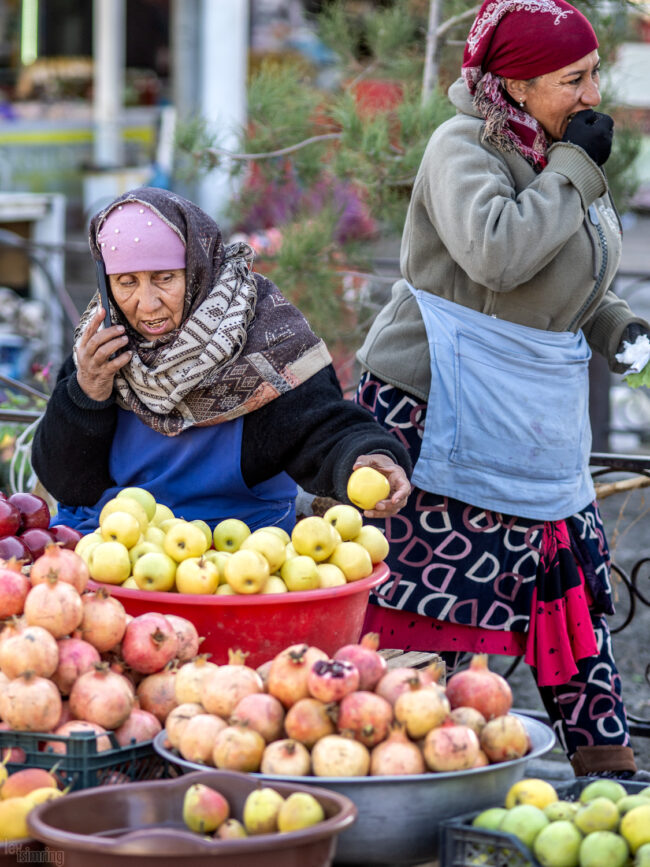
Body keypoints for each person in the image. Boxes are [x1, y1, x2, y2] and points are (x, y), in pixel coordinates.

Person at [354, 0, 649, 777]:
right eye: (572, 79)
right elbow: (497, 253)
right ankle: (417, 764)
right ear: (514, 86)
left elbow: (567, 266)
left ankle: (603, 758)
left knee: (569, 575)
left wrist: (612, 321)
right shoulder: (464, 146)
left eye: (595, 74)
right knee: (435, 598)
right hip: (431, 404)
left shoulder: (555, 147)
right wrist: (576, 175)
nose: (592, 95)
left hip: (520, 404)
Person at [31, 187, 411, 540]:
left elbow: (325, 429)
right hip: (114, 549)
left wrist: (369, 458)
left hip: (235, 557)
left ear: (198, 269)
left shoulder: (264, 337)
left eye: (164, 278)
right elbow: (67, 483)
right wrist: (86, 393)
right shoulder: (101, 347)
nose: (146, 305)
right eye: (126, 282)